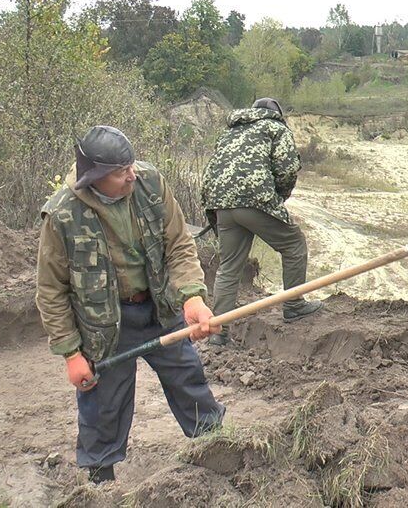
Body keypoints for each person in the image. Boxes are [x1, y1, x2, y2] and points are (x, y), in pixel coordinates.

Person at [36, 125, 225, 484]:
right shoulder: (62, 215)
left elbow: (179, 244)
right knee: (104, 403)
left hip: (158, 308)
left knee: (188, 377)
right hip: (104, 324)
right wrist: (71, 354)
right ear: (95, 177)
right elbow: (51, 290)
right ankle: (99, 478)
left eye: (131, 164)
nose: (131, 175)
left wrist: (193, 297)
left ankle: (217, 445)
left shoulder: (151, 184)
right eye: (121, 171)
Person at [201, 98, 322, 345]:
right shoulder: (276, 128)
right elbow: (287, 169)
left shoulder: (229, 133)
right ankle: (294, 304)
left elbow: (212, 171)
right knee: (294, 245)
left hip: (221, 205)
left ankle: (218, 332)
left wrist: (215, 207)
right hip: (255, 201)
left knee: (229, 266)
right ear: (276, 114)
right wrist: (278, 198)